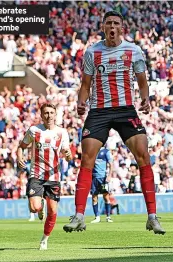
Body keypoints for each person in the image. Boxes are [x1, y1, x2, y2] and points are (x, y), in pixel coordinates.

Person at [63, 10, 165, 235]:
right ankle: (79, 215)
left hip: (125, 109)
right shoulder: (92, 52)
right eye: (108, 23)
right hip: (98, 111)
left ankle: (152, 216)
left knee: (143, 156)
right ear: (103, 27)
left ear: (121, 28)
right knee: (87, 158)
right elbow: (85, 85)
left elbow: (142, 81)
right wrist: (81, 103)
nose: (111, 26)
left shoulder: (133, 50)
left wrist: (145, 99)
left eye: (115, 23)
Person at [17, 103, 72, 250]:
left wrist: (68, 155)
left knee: (53, 211)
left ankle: (44, 239)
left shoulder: (62, 133)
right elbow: (21, 146)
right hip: (36, 174)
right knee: (35, 208)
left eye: (51, 113)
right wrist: (19, 156)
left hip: (53, 177)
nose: (49, 115)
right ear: (42, 115)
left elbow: (68, 155)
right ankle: (39, 207)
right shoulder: (34, 130)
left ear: (55, 115)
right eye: (46, 113)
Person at [90, 146, 114, 223]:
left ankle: (108, 216)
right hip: (94, 178)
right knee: (94, 197)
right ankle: (97, 217)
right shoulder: (92, 150)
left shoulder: (105, 151)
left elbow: (111, 164)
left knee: (106, 197)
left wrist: (109, 175)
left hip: (103, 177)